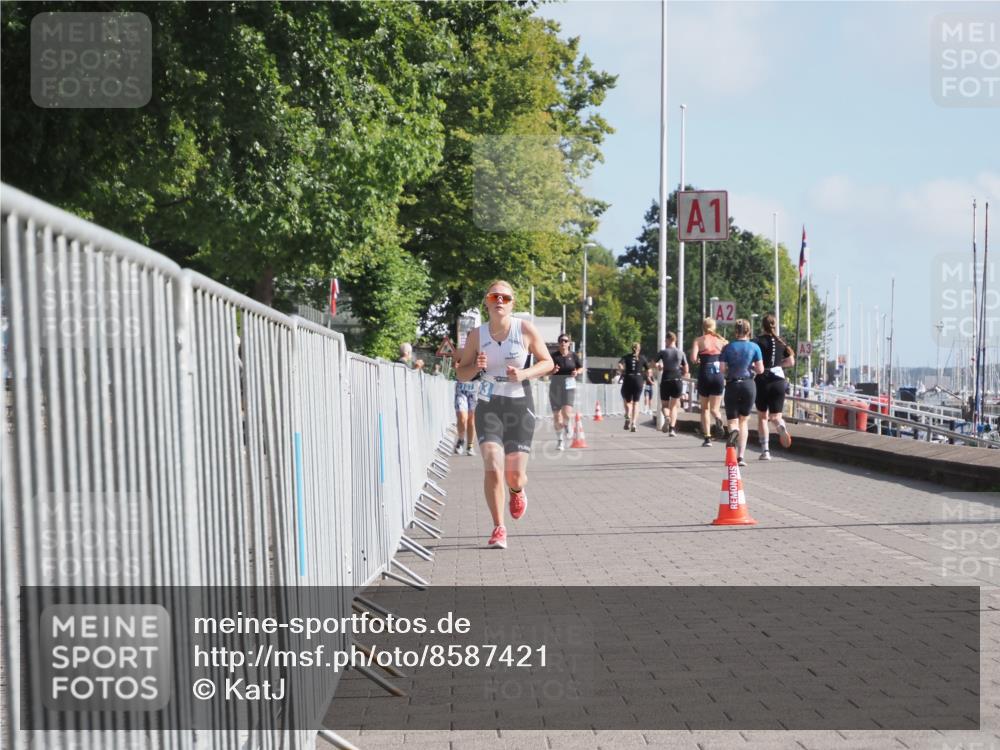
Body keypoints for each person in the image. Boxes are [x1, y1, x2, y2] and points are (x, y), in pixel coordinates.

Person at [455, 281, 553, 550]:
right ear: (486, 301)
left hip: (519, 406)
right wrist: (475, 365)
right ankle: (499, 528)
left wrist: (523, 373)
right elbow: (461, 372)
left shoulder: (524, 329)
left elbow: (548, 362)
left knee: (514, 475)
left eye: (505, 297)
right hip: (488, 405)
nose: (500, 300)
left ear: (512, 303)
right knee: (493, 467)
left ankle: (518, 491)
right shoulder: (477, 335)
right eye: (494, 296)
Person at [719, 319, 764, 467]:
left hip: (732, 384)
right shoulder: (755, 347)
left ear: (735, 331)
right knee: (744, 420)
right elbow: (760, 370)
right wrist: (751, 366)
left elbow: (722, 369)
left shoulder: (728, 347)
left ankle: (734, 432)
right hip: (748, 384)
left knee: (732, 420)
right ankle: (741, 457)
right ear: (748, 331)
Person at [754, 314, 794, 460]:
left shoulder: (756, 341)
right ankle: (780, 425)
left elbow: (754, 363)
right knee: (775, 416)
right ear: (775, 325)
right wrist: (779, 365)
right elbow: (791, 362)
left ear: (762, 326)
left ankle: (765, 451)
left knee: (763, 417)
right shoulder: (781, 341)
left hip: (762, 380)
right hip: (778, 380)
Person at [690, 318, 728, 447]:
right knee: (714, 408)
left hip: (705, 373)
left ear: (703, 327)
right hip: (718, 374)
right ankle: (718, 417)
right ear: (714, 327)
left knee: (705, 409)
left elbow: (693, 359)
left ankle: (707, 438)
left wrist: (699, 361)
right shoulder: (722, 341)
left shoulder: (698, 340)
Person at [549, 334, 582, 451]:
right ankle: (560, 441)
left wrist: (577, 372)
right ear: (559, 343)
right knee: (557, 416)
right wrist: (553, 370)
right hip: (555, 387)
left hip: (569, 386)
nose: (563, 343)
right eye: (561, 341)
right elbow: (546, 370)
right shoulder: (553, 356)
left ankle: (568, 424)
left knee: (567, 413)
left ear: (569, 343)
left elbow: (581, 367)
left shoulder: (573, 356)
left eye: (565, 341)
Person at [655, 332, 689, 437]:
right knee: (674, 406)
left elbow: (653, 363)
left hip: (666, 379)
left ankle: (666, 417)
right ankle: (672, 429)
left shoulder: (663, 352)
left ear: (669, 340)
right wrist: (683, 374)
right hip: (677, 380)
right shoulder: (681, 353)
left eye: (665, 340)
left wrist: (659, 367)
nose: (665, 342)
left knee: (665, 406)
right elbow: (686, 369)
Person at [617, 343, 648, 432]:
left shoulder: (626, 357)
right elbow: (648, 370)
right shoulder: (642, 358)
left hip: (628, 379)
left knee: (627, 401)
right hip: (638, 380)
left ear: (632, 349)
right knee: (636, 403)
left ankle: (628, 414)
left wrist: (622, 370)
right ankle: (633, 423)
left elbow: (620, 364)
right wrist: (646, 377)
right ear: (639, 349)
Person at [453, 350, 478, 456]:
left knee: (471, 421)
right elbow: (453, 365)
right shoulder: (460, 353)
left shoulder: (482, 352)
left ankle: (470, 445)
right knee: (462, 418)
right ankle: (461, 440)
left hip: (475, 388)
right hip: (461, 388)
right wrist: (456, 367)